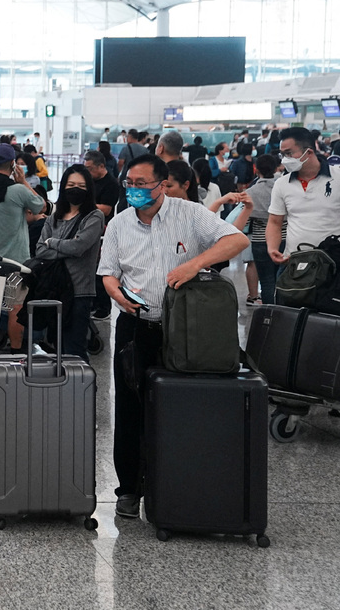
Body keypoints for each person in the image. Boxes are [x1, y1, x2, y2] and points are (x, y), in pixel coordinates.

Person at [97, 154, 249, 520]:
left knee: (182, 406)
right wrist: (117, 293)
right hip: (137, 328)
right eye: (128, 183)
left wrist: (195, 263)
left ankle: (178, 484)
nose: (133, 189)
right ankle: (129, 490)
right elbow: (108, 273)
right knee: (131, 410)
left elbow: (237, 239)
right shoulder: (119, 224)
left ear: (162, 183)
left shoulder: (190, 214)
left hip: (186, 330)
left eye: (141, 183)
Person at [0, 144, 46, 349]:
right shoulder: (18, 190)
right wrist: (22, 181)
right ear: (13, 164)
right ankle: (15, 350)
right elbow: (41, 205)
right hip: (15, 264)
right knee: (16, 308)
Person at [32, 166, 105, 362]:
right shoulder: (54, 217)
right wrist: (61, 247)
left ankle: (85, 391)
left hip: (79, 293)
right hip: (54, 291)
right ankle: (65, 391)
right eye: (71, 184)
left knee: (75, 351)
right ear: (63, 187)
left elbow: (78, 247)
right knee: (59, 349)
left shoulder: (93, 216)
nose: (75, 189)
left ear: (89, 189)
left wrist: (52, 243)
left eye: (81, 185)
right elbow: (40, 250)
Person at [268, 126, 340, 270]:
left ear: (309, 152)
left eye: (288, 153)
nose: (284, 160)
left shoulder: (337, 177)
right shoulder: (282, 184)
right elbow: (275, 222)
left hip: (333, 263)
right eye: (282, 154)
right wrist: (272, 247)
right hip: (294, 262)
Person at [246, 154, 283, 305]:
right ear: (275, 169)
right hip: (284, 239)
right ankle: (285, 312)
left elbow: (246, 220)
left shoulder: (251, 192)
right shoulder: (282, 187)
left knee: (267, 281)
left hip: (260, 241)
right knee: (282, 280)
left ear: (256, 169)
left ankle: (271, 314)